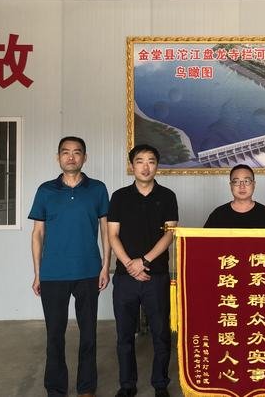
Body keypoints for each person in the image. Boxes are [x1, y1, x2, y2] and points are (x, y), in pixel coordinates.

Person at [29, 136, 111, 397]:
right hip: (53, 273)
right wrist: (38, 273)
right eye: (65, 152)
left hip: (89, 271)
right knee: (54, 334)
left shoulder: (98, 189)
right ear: (58, 157)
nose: (71, 157)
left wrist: (105, 266)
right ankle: (55, 388)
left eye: (77, 152)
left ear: (85, 157)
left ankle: (86, 387)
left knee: (89, 334)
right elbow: (37, 234)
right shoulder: (45, 191)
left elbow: (106, 231)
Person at [107, 144, 178, 397]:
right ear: (132, 166)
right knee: (124, 335)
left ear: (157, 166)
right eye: (140, 161)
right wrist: (130, 264)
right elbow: (112, 235)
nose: (145, 167)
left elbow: (170, 234)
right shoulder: (119, 197)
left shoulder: (167, 196)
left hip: (156, 276)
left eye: (151, 161)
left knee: (161, 334)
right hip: (125, 277)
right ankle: (127, 385)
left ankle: (160, 384)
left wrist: (144, 261)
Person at [204, 164, 265, 228]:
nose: (242, 186)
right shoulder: (218, 214)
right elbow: (203, 239)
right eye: (236, 182)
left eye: (246, 181)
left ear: (254, 185)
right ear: (231, 186)